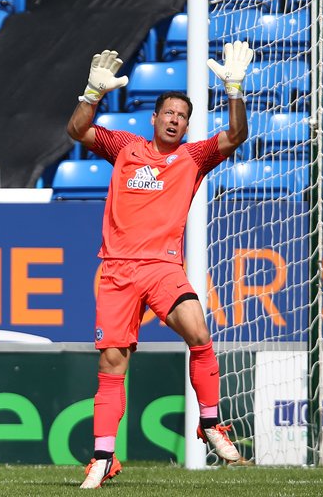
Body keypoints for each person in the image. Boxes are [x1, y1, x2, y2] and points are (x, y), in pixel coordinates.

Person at [66, 42, 255, 488]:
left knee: (199, 333)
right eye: (168, 112)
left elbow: (236, 136)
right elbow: (77, 130)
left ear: (187, 125)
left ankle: (210, 423)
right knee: (113, 365)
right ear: (154, 119)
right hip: (115, 270)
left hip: (162, 267)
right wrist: (92, 93)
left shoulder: (192, 157)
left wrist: (234, 89)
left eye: (182, 116)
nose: (175, 119)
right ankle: (103, 457)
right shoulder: (125, 148)